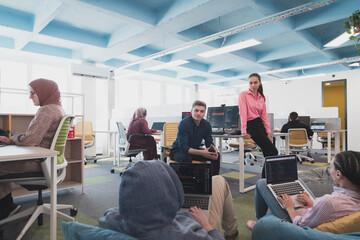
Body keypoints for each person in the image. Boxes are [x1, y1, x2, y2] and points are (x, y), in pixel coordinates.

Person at [99, 160, 239, 240]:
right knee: (219, 180)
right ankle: (231, 233)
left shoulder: (108, 221)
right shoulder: (187, 234)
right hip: (196, 222)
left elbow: (116, 210)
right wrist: (206, 226)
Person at [0, 78, 65, 220]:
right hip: (47, 162)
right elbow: (35, 137)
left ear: (43, 92)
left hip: (37, 164)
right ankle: (7, 206)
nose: (30, 97)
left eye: (32, 93)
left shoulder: (46, 110)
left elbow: (31, 140)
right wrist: (14, 139)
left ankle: (5, 209)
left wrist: (12, 139)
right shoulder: (57, 108)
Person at [247, 150, 360, 230]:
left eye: (331, 167)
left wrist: (290, 207)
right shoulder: (354, 197)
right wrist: (313, 205)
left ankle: (259, 222)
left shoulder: (329, 202)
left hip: (293, 220)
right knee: (298, 181)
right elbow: (332, 212)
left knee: (261, 183)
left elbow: (301, 225)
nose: (330, 170)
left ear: (339, 174)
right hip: (316, 212)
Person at [238, 73, 278, 177]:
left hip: (260, 125)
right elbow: (243, 113)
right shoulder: (243, 95)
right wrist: (244, 131)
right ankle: (264, 179)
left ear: (259, 83)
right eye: (251, 83)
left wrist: (268, 132)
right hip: (251, 126)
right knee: (273, 151)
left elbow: (264, 116)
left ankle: (268, 178)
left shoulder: (261, 97)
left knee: (269, 152)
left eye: (255, 82)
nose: (253, 85)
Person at [170, 100, 220, 175]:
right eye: (196, 110)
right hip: (178, 151)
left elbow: (209, 142)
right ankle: (188, 183)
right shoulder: (184, 123)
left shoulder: (207, 125)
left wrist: (213, 150)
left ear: (204, 113)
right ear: (191, 111)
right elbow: (183, 147)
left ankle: (213, 182)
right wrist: (202, 153)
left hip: (195, 151)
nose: (198, 113)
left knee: (216, 156)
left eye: (201, 111)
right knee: (186, 158)